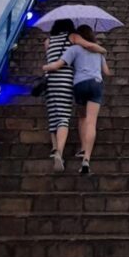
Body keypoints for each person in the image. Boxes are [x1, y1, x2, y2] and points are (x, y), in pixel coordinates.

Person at [37, 19, 107, 173]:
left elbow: (51, 58)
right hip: (65, 80)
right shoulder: (73, 37)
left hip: (49, 80)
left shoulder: (47, 41)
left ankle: (54, 146)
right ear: (70, 28)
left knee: (53, 114)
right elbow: (88, 46)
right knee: (63, 115)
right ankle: (59, 152)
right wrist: (102, 50)